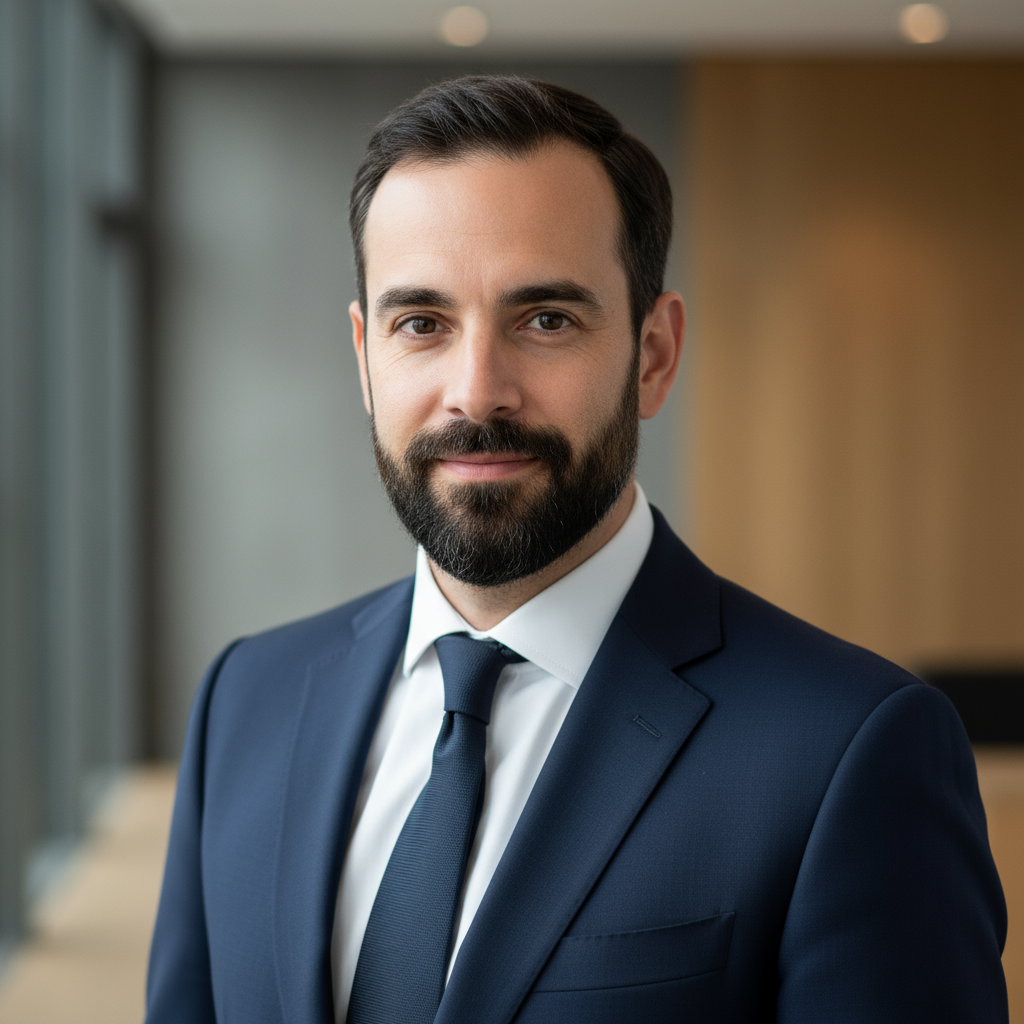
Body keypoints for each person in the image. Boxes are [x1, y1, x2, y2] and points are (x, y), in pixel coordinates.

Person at [145, 76, 1007, 1024]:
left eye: (546, 320)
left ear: (653, 355)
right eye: (421, 324)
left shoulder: (852, 751)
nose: (478, 392)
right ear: (364, 357)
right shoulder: (247, 702)